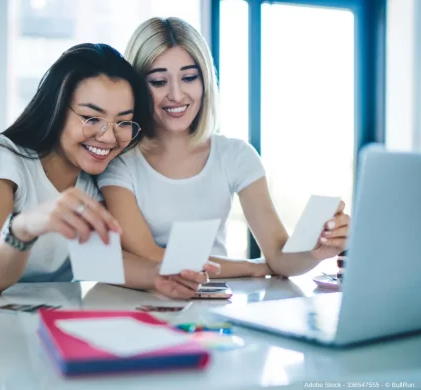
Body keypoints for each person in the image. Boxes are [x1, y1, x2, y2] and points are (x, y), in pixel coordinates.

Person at [0, 43, 218, 297]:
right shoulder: (0, 155)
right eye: (92, 118)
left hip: (29, 307)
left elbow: (102, 262)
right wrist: (26, 225)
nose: (108, 136)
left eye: (123, 121)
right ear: (56, 108)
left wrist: (161, 275)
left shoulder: (94, 177)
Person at [97, 18, 350, 278]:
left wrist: (315, 250)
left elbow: (279, 255)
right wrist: (253, 267)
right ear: (137, 87)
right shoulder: (120, 162)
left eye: (189, 77)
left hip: (217, 301)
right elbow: (147, 255)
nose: (176, 94)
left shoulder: (235, 155)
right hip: (140, 302)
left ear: (205, 80)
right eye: (159, 82)